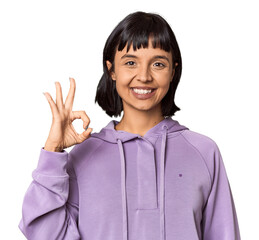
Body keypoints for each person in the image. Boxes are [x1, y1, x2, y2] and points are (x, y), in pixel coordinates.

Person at [18, 11, 241, 240]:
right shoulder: (84, 155)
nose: (143, 76)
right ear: (112, 70)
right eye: (131, 63)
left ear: (173, 71)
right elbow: (45, 233)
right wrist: (53, 149)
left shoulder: (204, 152)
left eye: (158, 64)